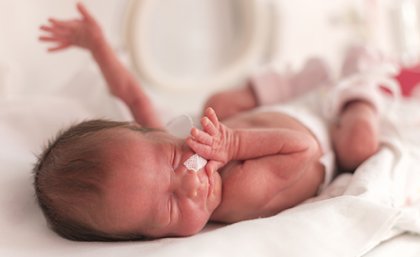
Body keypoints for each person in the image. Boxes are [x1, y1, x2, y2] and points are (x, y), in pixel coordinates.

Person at [34, 3, 388, 241]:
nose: (191, 183)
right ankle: (358, 85)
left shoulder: (179, 147)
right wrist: (232, 145)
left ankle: (297, 82)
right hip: (324, 131)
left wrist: (99, 47)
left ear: (155, 136)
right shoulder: (242, 191)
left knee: (216, 104)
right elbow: (304, 149)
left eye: (174, 159)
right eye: (171, 206)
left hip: (281, 113)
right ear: (149, 238)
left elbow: (134, 97)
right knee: (359, 146)